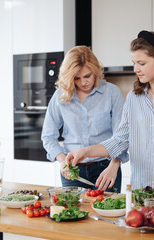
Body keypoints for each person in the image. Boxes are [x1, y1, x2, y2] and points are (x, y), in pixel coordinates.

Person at [66, 31, 154, 201]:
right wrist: (85, 152)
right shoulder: (134, 98)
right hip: (144, 192)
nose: (136, 69)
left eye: (141, 63)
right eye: (134, 63)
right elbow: (120, 141)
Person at [41, 46, 128, 192]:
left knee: (106, 213)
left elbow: (121, 137)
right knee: (74, 213)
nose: (83, 82)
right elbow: (48, 137)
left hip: (106, 168)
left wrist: (115, 165)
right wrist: (63, 161)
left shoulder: (112, 93)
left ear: (95, 71)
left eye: (87, 76)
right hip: (73, 172)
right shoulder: (60, 96)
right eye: (76, 78)